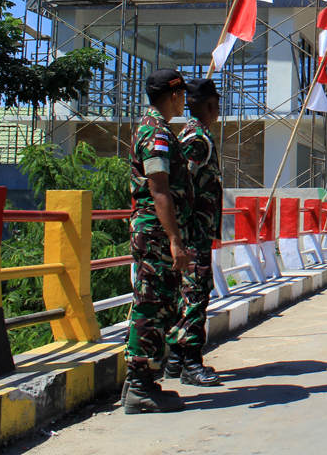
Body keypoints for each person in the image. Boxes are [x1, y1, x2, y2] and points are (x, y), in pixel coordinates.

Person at [124, 69, 193, 414]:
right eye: (182, 94)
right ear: (175, 96)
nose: (185, 101)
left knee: (161, 303)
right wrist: (175, 239)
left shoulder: (159, 129)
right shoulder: (156, 133)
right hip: (155, 232)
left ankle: (146, 383)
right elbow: (159, 189)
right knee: (151, 305)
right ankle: (139, 386)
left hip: (156, 232)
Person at [163, 79, 224, 388]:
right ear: (210, 106)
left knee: (188, 293)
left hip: (193, 231)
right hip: (193, 232)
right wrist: (183, 233)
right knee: (195, 294)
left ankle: (175, 360)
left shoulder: (193, 134)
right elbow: (183, 183)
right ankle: (190, 363)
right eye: (216, 105)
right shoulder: (197, 138)